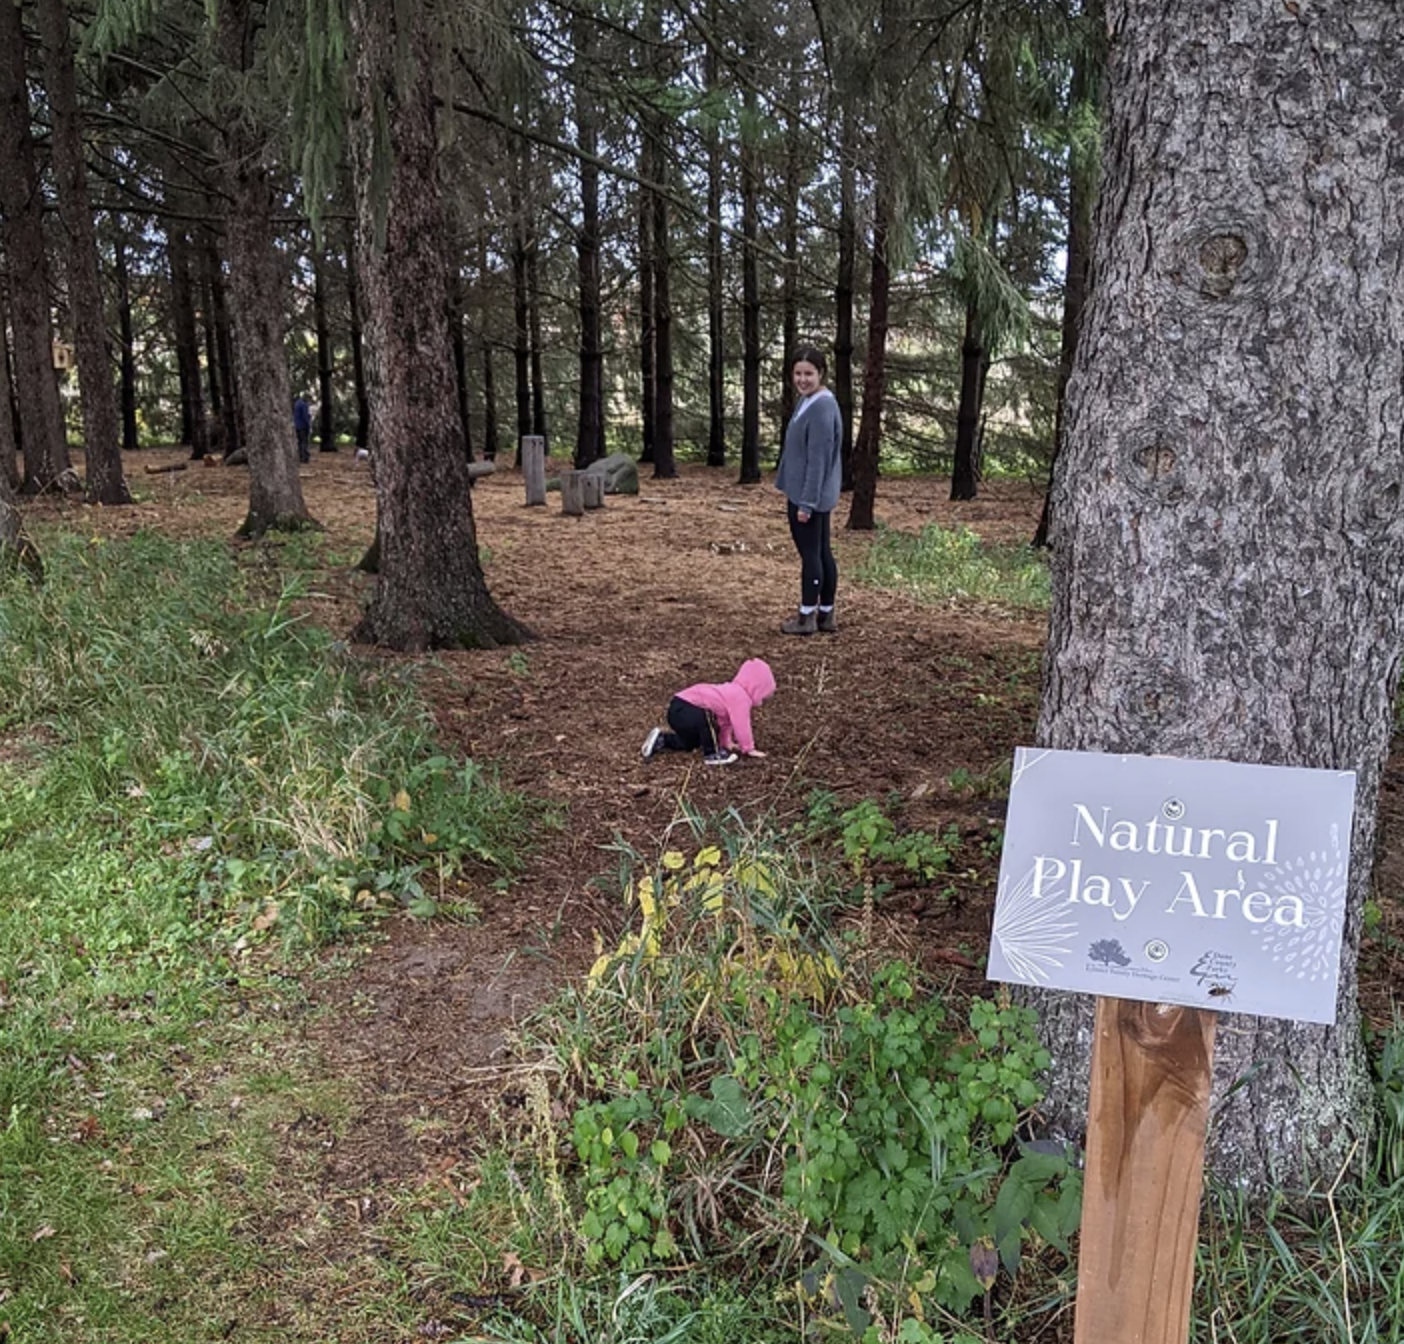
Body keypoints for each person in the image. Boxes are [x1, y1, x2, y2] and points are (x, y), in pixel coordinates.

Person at [774, 344, 843, 634]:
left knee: (812, 555)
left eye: (809, 374)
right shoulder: (809, 401)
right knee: (821, 551)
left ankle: (806, 617)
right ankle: (826, 614)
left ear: (821, 373)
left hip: (809, 495)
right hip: (805, 491)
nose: (802, 380)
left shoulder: (822, 407)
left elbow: (818, 460)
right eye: (798, 373)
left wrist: (807, 503)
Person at [641, 659, 775, 766]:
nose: (762, 700)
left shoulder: (732, 693)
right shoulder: (740, 697)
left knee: (692, 742)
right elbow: (741, 724)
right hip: (683, 707)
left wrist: (726, 742)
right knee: (706, 720)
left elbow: (726, 722)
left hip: (679, 710)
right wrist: (748, 748)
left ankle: (663, 740)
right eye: (763, 695)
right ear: (756, 688)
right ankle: (712, 753)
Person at [293, 394, 312, 463]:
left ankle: (300, 456)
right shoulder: (304, 405)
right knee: (304, 442)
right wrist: (308, 424)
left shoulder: (296, 404)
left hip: (297, 425)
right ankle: (305, 457)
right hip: (303, 426)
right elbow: (305, 416)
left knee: (300, 442)